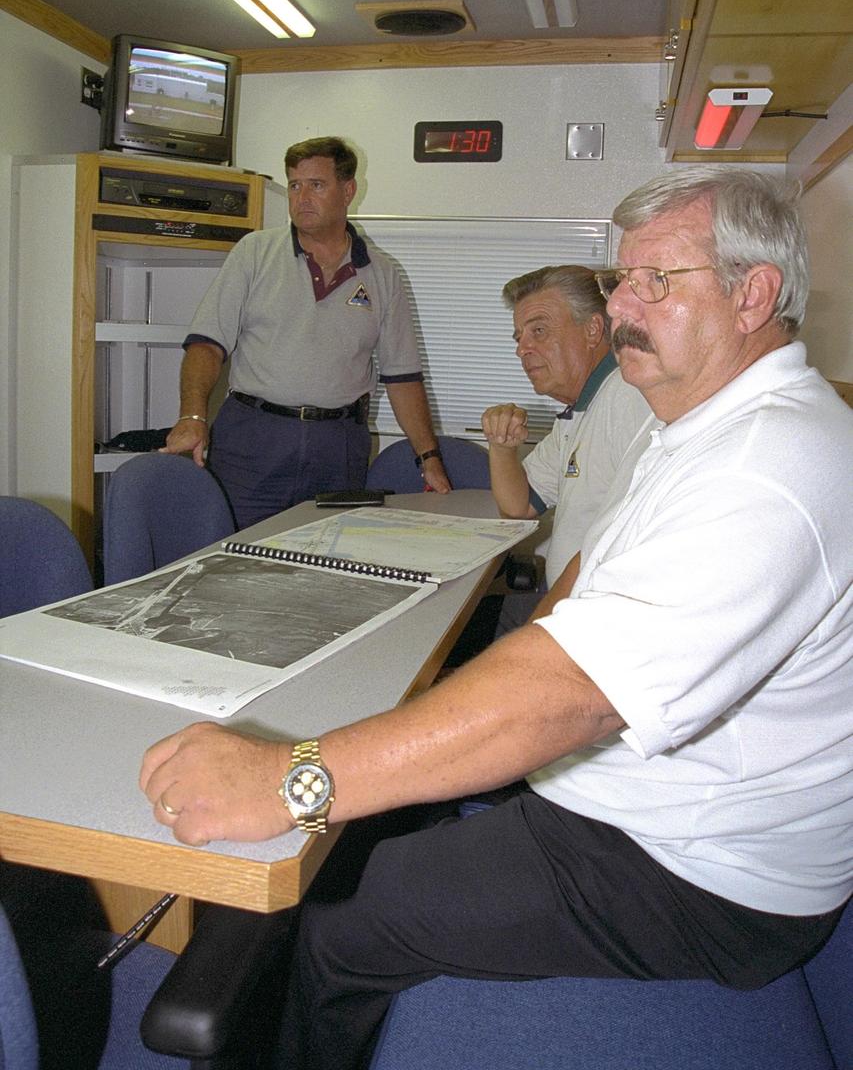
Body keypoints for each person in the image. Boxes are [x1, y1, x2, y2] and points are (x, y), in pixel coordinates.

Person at [140, 168, 852, 1070]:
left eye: (655, 282)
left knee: (344, 911)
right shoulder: (715, 426)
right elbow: (589, 577)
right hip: (667, 814)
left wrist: (288, 779)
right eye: (619, 279)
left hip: (701, 874)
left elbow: (574, 696)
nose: (621, 306)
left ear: (754, 295)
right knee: (393, 830)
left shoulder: (765, 466)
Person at [161, 136, 450, 527]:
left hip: (338, 447)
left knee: (327, 563)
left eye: (316, 185)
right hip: (253, 440)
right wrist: (191, 416)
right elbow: (206, 345)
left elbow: (402, 377)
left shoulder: (382, 274)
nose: (301, 197)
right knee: (236, 562)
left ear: (348, 191)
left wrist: (428, 458)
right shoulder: (254, 252)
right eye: (294, 185)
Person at [481, 265, 653, 622]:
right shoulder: (580, 410)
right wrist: (501, 447)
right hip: (563, 601)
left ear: (593, 329)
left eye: (539, 331)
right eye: (518, 337)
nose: (522, 350)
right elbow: (519, 508)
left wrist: (541, 629)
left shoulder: (630, 399)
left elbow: (625, 544)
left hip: (592, 614)